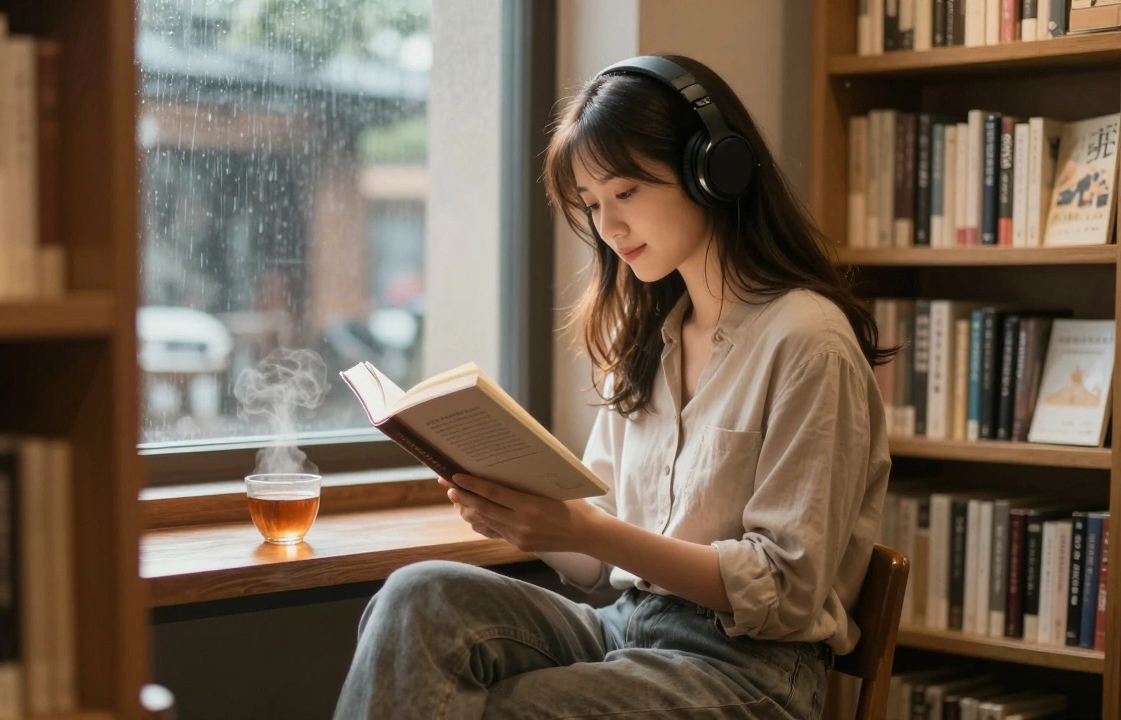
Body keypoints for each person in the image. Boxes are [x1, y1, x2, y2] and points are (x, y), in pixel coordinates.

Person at [332, 54, 894, 720]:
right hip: (628, 626)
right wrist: (525, 519)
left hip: (750, 671)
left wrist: (588, 529)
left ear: (714, 170)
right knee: (417, 598)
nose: (609, 227)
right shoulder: (647, 339)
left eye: (626, 192)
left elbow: (785, 590)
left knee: (498, 708)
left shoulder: (808, 341)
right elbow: (598, 566)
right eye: (593, 204)